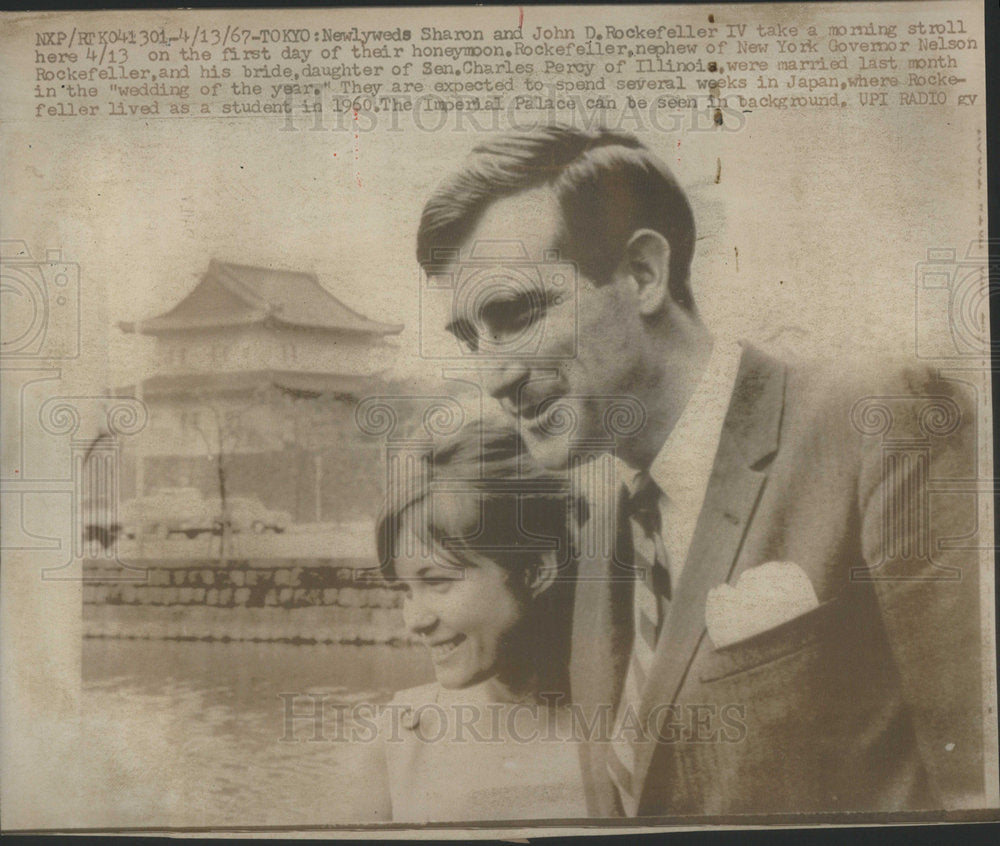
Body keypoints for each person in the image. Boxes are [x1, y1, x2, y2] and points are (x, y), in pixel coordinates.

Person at [415, 126, 983, 817]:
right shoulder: (603, 528)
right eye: (471, 338)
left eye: (514, 314)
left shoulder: (878, 421)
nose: (493, 374)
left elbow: (979, 779)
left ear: (644, 274)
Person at [364, 422, 587, 822]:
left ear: (536, 569)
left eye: (437, 582)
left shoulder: (632, 726)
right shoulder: (401, 733)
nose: (415, 620)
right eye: (405, 590)